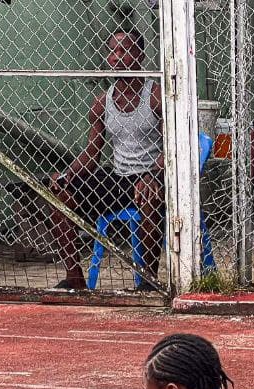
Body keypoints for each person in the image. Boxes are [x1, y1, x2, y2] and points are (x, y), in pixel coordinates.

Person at [47, 29, 165, 291]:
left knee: (147, 193)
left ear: (140, 56)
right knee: (59, 194)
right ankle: (75, 277)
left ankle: (148, 281)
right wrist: (67, 175)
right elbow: (91, 154)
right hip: (119, 178)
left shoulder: (156, 96)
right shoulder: (102, 102)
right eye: (112, 51)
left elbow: (172, 149)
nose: (116, 57)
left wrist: (154, 175)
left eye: (124, 50)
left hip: (155, 176)